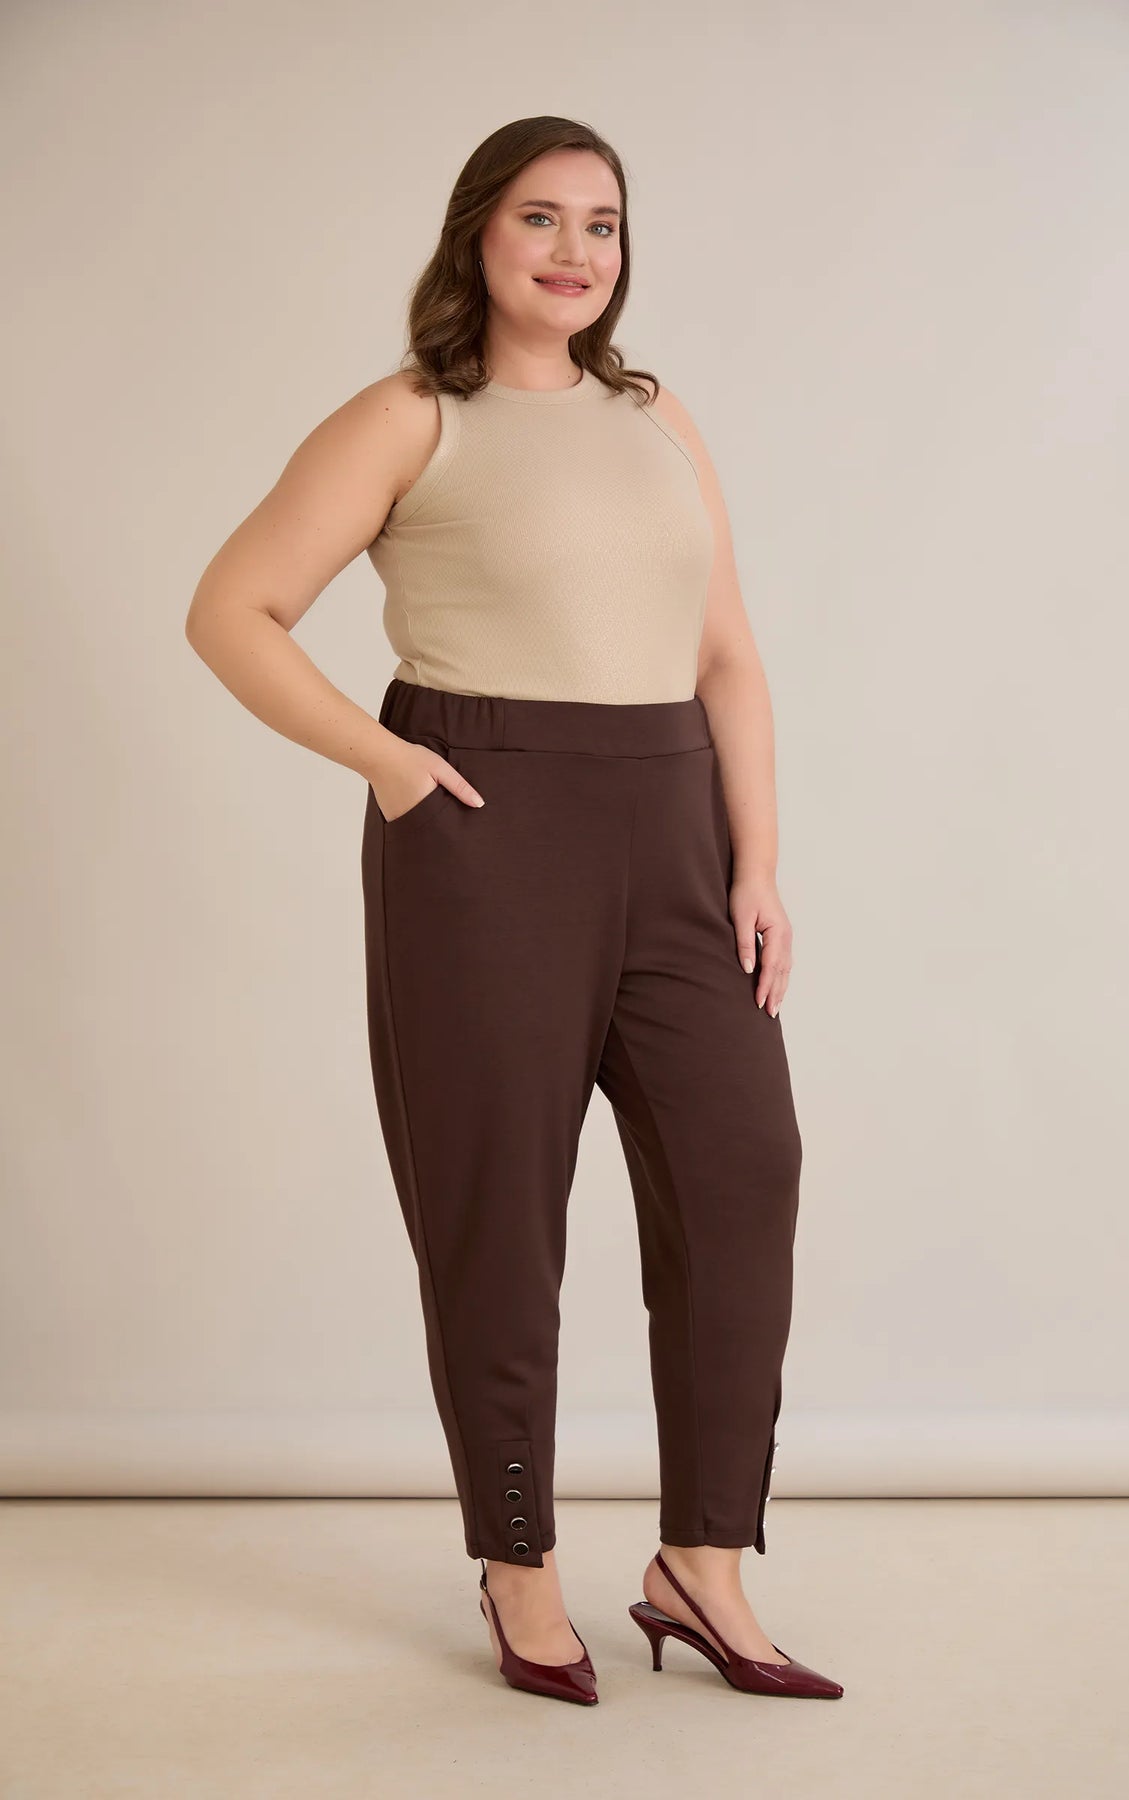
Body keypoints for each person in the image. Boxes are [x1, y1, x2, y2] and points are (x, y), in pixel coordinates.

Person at [185, 114, 843, 1706]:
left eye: (602, 224)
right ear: (478, 232)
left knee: (745, 1167)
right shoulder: (413, 416)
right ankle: (519, 1563)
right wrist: (392, 766)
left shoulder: (655, 413)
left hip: (675, 833)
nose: (574, 251)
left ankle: (703, 1566)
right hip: (485, 834)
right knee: (498, 1211)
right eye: (541, 218)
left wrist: (756, 861)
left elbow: (728, 653)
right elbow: (232, 609)